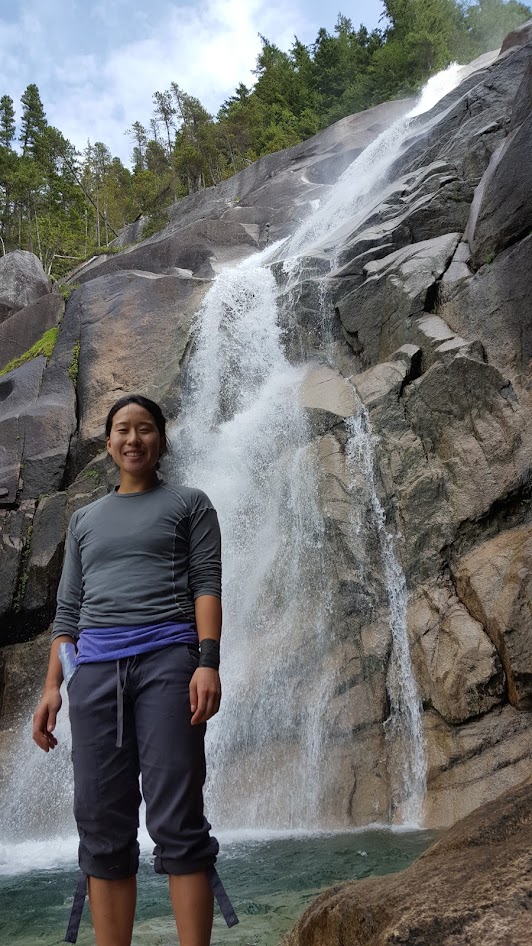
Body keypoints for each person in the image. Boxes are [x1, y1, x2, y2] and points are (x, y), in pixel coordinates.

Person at [32, 394, 237, 946]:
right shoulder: (83, 519)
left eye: (145, 429)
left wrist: (207, 662)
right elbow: (68, 613)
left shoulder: (191, 504)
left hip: (169, 664)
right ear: (108, 444)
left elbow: (207, 586)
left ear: (161, 440)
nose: (133, 439)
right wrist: (53, 687)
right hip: (94, 676)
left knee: (176, 818)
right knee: (101, 826)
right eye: (122, 430)